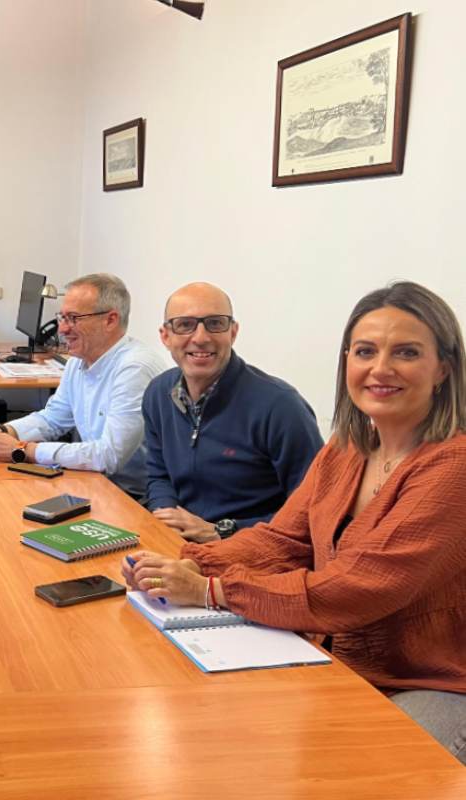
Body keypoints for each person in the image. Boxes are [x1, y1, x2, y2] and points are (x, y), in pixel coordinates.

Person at [123, 281, 466, 765]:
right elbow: (283, 540)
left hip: (433, 681)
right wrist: (185, 562)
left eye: (406, 353)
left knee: (368, 772)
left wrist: (211, 590)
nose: (380, 369)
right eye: (365, 351)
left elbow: (357, 588)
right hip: (340, 657)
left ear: (443, 369)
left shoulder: (453, 467)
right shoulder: (348, 447)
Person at [143, 282, 322, 541]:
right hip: (180, 543)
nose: (201, 337)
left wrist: (222, 531)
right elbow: (158, 475)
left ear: (233, 332)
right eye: (185, 325)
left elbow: (313, 511)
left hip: (253, 551)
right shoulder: (158, 393)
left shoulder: (281, 407)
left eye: (215, 323)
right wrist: (165, 515)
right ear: (165, 336)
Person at [0, 273, 166, 496]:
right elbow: (53, 418)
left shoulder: (134, 368)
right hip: (96, 484)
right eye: (62, 318)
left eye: (73, 318)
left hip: (136, 499)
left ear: (110, 320)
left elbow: (109, 457)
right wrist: (4, 431)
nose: (62, 329)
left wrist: (21, 449)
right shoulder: (79, 361)